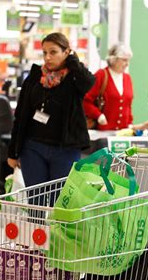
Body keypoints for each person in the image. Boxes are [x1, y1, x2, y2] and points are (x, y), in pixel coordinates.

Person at [7, 32, 95, 194]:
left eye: (53, 52)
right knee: (36, 201)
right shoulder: (34, 77)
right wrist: (13, 152)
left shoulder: (74, 78)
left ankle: (54, 221)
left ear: (66, 52)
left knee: (59, 203)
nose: (47, 57)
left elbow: (89, 82)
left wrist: (73, 60)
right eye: (45, 52)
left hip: (65, 150)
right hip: (32, 148)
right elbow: (20, 115)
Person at [83, 43, 134, 130]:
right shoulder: (101, 75)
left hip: (123, 132)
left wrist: (130, 123)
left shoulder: (127, 78)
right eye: (124, 60)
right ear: (113, 59)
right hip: (102, 132)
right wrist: (98, 115)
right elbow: (85, 101)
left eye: (128, 60)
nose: (127, 64)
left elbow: (128, 106)